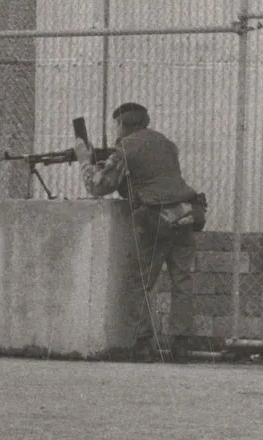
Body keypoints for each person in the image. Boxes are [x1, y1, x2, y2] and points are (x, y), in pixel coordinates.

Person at [75, 102, 204, 361]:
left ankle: (143, 345)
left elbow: (99, 186)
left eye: (117, 126)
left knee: (140, 282)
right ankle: (181, 346)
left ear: (123, 125)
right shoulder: (166, 144)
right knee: (182, 282)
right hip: (187, 216)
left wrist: (85, 161)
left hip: (156, 219)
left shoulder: (125, 148)